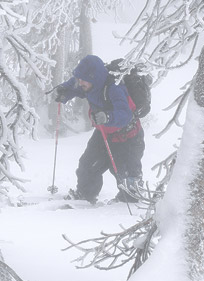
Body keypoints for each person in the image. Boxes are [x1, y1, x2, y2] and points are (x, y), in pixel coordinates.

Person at [54, 54, 145, 203]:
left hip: (128, 137)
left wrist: (107, 117)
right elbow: (75, 85)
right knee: (88, 165)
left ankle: (129, 202)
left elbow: (125, 114)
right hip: (104, 134)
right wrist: (64, 92)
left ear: (94, 78)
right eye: (79, 78)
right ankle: (85, 195)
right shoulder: (88, 83)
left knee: (127, 175)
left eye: (83, 79)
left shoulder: (114, 88)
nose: (80, 81)